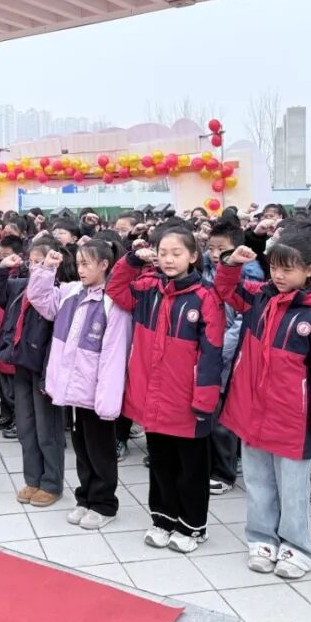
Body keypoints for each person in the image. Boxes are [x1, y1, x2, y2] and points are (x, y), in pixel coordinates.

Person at [215, 234, 311, 579]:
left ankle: (297, 547)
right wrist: (230, 263)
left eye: (288, 269)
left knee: (294, 488)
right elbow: (226, 290)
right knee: (258, 481)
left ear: (310, 270)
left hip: (293, 417)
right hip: (253, 410)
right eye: (274, 267)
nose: (279, 275)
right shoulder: (259, 298)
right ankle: (261, 539)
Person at [107, 227, 224, 551]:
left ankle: (192, 527)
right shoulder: (148, 289)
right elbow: (115, 288)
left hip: (187, 400)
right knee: (161, 463)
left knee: (191, 469)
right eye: (163, 253)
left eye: (177, 253)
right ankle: (163, 519)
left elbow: (212, 352)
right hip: (153, 397)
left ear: (193, 256)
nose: (169, 259)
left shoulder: (205, 296)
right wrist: (132, 260)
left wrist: (204, 399)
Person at [28, 241, 130, 527]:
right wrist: (46, 269)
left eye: (87, 264)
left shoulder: (113, 302)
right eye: (79, 263)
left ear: (104, 265)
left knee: (100, 451)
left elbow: (114, 356)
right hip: (73, 390)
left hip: (96, 392)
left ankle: (104, 504)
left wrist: (107, 400)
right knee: (82, 449)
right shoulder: (71, 292)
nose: (81, 269)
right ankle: (85, 498)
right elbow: (39, 298)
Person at [0, 242, 69, 507]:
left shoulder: (60, 293)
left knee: (47, 429)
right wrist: (1, 267)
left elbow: (58, 339)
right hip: (20, 364)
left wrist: (49, 377)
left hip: (45, 369)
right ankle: (33, 479)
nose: (35, 266)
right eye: (31, 261)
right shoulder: (20, 287)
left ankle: (51, 483)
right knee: (26, 426)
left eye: (40, 261)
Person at [202, 221, 264, 497]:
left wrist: (216, 350)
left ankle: (224, 472)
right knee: (211, 413)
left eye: (222, 249)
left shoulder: (250, 277)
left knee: (224, 420)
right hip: (211, 354)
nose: (216, 254)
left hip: (229, 357)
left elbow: (241, 322)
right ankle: (217, 464)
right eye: (211, 248)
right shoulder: (205, 272)